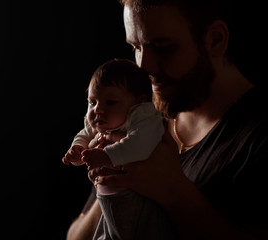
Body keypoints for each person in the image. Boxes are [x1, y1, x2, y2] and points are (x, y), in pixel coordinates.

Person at [67, 0, 268, 239]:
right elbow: (76, 236)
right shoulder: (139, 117)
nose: (143, 66)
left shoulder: (262, 135)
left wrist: (171, 188)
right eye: (136, 48)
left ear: (215, 39)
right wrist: (116, 179)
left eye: (161, 48)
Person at [63, 59, 177, 239]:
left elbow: (140, 145)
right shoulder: (104, 121)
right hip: (106, 200)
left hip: (133, 202)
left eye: (111, 102)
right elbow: (86, 132)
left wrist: (106, 156)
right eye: (92, 102)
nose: (98, 109)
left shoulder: (144, 118)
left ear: (138, 103)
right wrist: (78, 148)